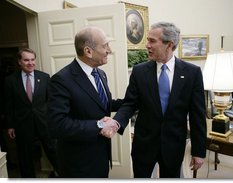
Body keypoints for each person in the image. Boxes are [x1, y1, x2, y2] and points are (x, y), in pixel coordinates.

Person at [109, 22, 207, 178]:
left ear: (169, 44)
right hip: (144, 144)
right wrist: (116, 122)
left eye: (152, 41)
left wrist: (199, 151)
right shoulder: (139, 71)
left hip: (174, 145)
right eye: (147, 40)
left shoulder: (192, 73)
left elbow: (198, 115)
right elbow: (130, 103)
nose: (147, 45)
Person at [47, 26, 122, 178]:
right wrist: (99, 125)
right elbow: (57, 125)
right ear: (88, 51)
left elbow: (102, 105)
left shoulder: (100, 74)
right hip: (78, 163)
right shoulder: (61, 80)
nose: (110, 50)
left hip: (101, 157)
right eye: (105, 45)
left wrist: (135, 100)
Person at [4, 48, 59, 178]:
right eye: (26, 60)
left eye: (32, 59)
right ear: (19, 62)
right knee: (25, 155)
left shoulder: (44, 77)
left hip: (44, 122)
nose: (30, 63)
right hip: (22, 123)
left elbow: (51, 101)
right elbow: (8, 105)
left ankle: (64, 175)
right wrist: (10, 125)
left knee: (53, 151)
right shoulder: (10, 80)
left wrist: (55, 120)